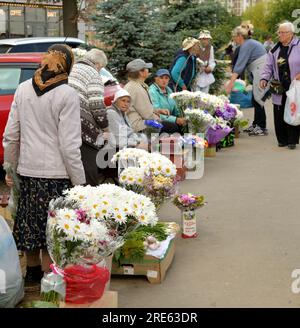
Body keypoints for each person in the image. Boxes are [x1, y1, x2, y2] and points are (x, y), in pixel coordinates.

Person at [3, 44, 85, 287]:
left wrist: (11, 168)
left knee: (29, 225)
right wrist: (80, 183)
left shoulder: (23, 89)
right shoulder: (67, 94)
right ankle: (52, 281)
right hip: (57, 174)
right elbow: (69, 146)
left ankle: (31, 273)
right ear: (66, 66)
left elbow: (10, 135)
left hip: (28, 171)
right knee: (53, 231)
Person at [68, 49, 109, 186]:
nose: (100, 70)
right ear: (97, 64)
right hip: (83, 126)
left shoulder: (72, 68)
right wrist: (105, 127)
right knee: (89, 165)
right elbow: (97, 106)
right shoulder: (93, 74)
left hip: (66, 121)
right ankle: (89, 197)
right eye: (101, 68)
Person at [260, 21, 300, 149]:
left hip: (294, 84)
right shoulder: (275, 49)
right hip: (278, 85)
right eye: (279, 32)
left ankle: (292, 140)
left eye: (283, 32)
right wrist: (264, 78)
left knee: (293, 110)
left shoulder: (298, 45)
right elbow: (268, 67)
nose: (280, 35)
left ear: (291, 34)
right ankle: (282, 139)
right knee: (279, 110)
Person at [225, 25, 268, 136]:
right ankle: (256, 124)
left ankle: (261, 127)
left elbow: (239, 65)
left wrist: (231, 83)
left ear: (240, 36)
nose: (233, 39)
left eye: (234, 36)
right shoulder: (249, 43)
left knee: (258, 99)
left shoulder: (246, 45)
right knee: (255, 98)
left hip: (261, 72)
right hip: (259, 71)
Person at [124, 59, 179, 134]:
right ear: (141, 72)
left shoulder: (135, 85)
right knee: (173, 127)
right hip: (139, 125)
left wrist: (157, 111)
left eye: (166, 78)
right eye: (146, 68)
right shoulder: (137, 89)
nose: (148, 70)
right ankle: (160, 145)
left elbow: (142, 109)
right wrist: (161, 118)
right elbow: (147, 115)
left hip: (138, 121)